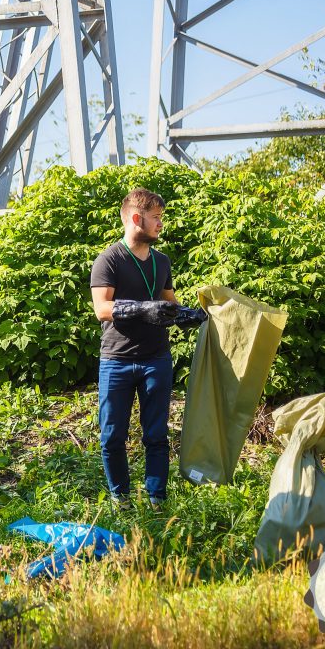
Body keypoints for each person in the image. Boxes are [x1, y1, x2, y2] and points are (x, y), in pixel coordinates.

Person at [89, 188, 205, 510]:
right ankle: (120, 497)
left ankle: (156, 498)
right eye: (156, 218)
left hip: (156, 359)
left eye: (162, 218)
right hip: (117, 361)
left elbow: (168, 303)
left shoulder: (162, 261)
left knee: (156, 434)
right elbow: (102, 308)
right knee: (112, 435)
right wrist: (141, 310)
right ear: (137, 219)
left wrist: (187, 315)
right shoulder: (109, 259)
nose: (160, 224)